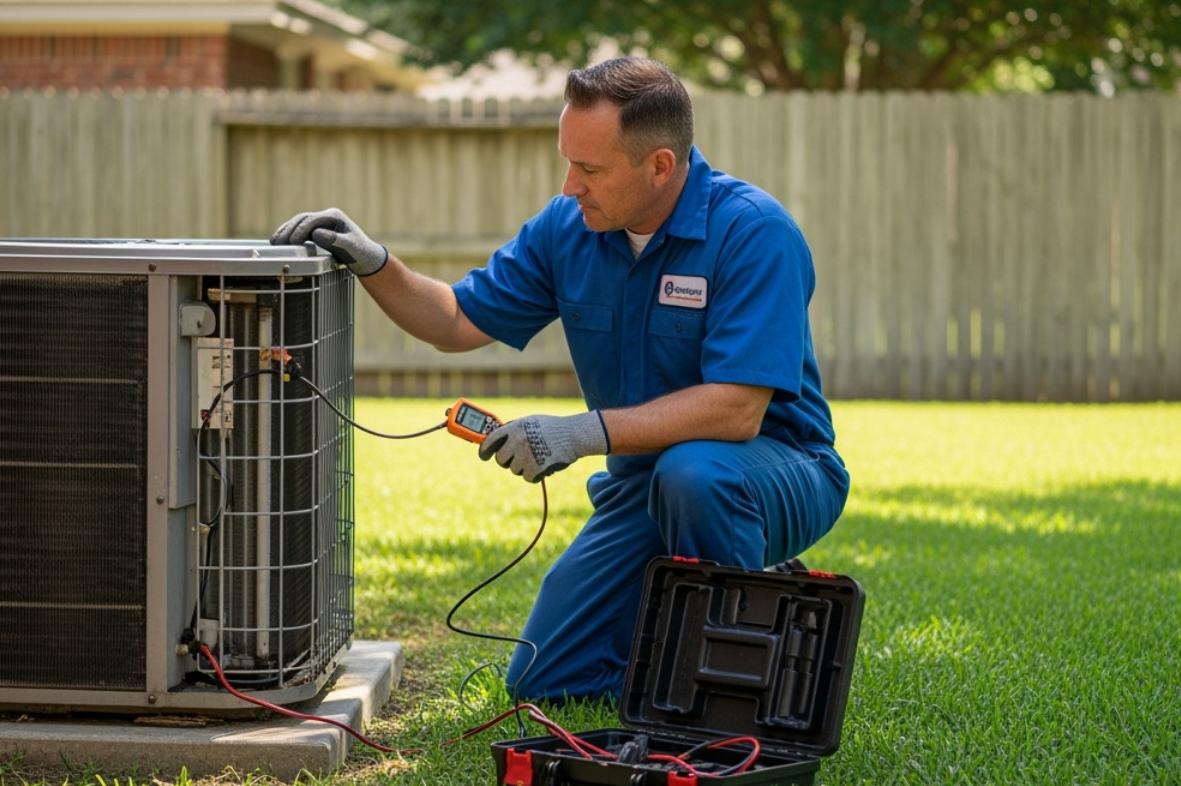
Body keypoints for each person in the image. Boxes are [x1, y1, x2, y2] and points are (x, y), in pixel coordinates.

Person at [271, 57, 848, 701]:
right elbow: (457, 320)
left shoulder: (753, 233)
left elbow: (738, 411)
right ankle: (666, 668)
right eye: (567, 161)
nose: (570, 185)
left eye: (590, 169)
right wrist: (375, 263)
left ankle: (732, 678)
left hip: (771, 471)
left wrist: (580, 432)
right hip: (645, 486)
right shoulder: (567, 229)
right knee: (546, 678)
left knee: (697, 474)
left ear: (660, 165)